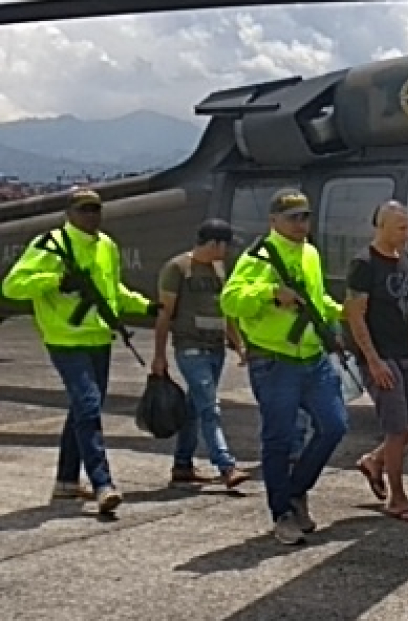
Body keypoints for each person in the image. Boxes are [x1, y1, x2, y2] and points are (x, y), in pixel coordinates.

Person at [1, 188, 156, 513]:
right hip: (65, 338)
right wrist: (54, 280)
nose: (91, 215)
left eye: (96, 208)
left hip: (99, 338)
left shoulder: (106, 246)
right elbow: (12, 285)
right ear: (69, 212)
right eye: (84, 209)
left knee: (82, 409)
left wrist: (146, 307)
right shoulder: (51, 246)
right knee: (88, 406)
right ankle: (103, 483)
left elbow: (112, 291)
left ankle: (66, 482)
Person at [220, 188, 349, 545]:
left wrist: (339, 312)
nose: (301, 224)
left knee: (335, 425)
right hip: (275, 360)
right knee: (279, 438)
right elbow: (230, 299)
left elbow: (315, 296)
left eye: (305, 216)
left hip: (312, 357)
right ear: (274, 221)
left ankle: (296, 489)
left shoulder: (309, 253)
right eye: (293, 217)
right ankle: (282, 513)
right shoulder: (258, 258)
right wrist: (269, 294)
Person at [344, 201, 408, 523]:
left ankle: (374, 460)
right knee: (396, 427)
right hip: (383, 355)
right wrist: (373, 361)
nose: (406, 234)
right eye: (400, 228)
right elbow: (356, 315)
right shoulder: (364, 264)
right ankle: (397, 497)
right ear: (381, 227)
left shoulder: (405, 259)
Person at [151, 218, 251, 489]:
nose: (227, 251)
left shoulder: (218, 269)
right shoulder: (177, 269)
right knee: (210, 407)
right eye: (225, 245)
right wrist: (159, 356)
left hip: (215, 349)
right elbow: (164, 315)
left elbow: (226, 311)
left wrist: (238, 344)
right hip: (190, 348)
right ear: (213, 243)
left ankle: (182, 465)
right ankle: (226, 465)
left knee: (195, 408)